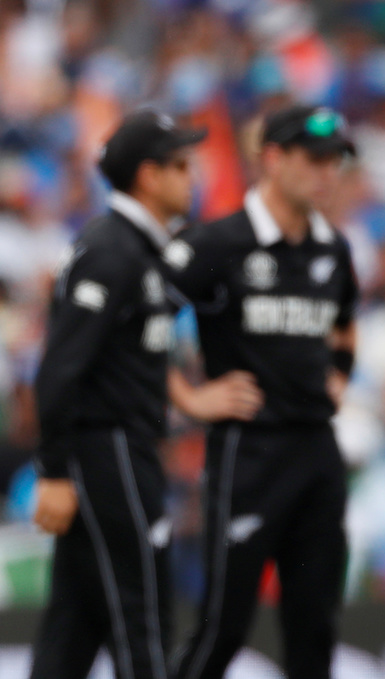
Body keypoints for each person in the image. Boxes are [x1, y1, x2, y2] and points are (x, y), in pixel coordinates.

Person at [164, 104, 359, 679]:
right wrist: (189, 398)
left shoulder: (333, 247)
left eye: (335, 160)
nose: (327, 171)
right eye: (313, 158)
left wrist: (340, 376)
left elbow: (345, 324)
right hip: (247, 453)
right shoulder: (219, 242)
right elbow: (138, 319)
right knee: (224, 625)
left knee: (315, 626)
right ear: (271, 158)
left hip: (317, 453)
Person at [30, 109, 205, 679]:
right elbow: (59, 367)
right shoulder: (111, 250)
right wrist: (54, 470)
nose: (192, 174)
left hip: (121, 448)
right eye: (180, 164)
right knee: (144, 613)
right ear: (148, 176)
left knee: (74, 624)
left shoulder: (143, 250)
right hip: (108, 450)